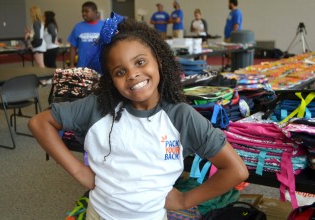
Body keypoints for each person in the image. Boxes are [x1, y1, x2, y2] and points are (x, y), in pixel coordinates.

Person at [28, 12, 248, 220]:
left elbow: (236, 170)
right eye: (120, 72)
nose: (132, 74)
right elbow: (40, 123)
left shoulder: (180, 116)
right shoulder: (98, 107)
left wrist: (184, 200)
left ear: (159, 62)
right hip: (99, 215)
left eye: (140, 62)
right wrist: (78, 171)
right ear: (111, 80)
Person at [67, 1, 104, 68]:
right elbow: (73, 47)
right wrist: (71, 64)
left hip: (101, 66)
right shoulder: (78, 27)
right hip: (82, 67)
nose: (84, 14)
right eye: (82, 11)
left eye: (86, 11)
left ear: (95, 12)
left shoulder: (104, 26)